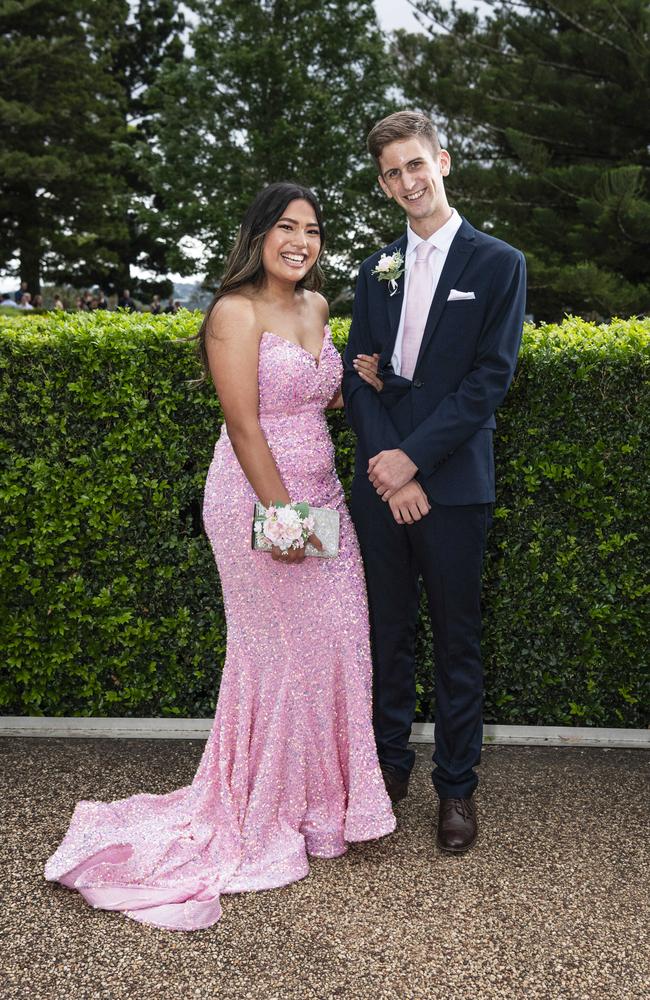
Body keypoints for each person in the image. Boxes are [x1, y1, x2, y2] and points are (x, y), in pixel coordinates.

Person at [45, 181, 395, 931]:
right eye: (286, 228)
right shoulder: (233, 312)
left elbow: (309, 391)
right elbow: (244, 424)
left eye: (313, 229)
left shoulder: (318, 308)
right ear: (259, 235)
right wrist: (283, 519)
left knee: (336, 646)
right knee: (275, 655)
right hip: (258, 501)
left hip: (324, 496)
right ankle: (264, 806)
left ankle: (318, 808)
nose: (300, 241)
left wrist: (349, 383)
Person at [343, 110, 526, 854]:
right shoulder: (374, 269)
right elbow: (357, 379)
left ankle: (456, 789)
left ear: (442, 161)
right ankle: (386, 772)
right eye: (392, 172)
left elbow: (488, 381)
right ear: (384, 185)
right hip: (384, 486)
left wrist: (411, 459)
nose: (407, 181)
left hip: (452, 485)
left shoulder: (498, 264)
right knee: (385, 635)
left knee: (456, 641)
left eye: (415, 164)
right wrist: (390, 472)